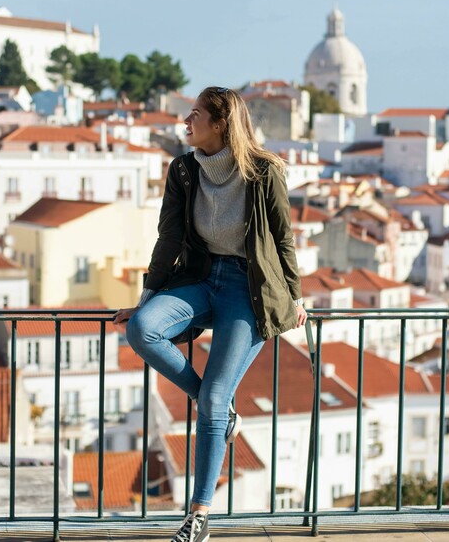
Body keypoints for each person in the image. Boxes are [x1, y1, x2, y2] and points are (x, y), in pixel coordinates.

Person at [113, 86, 306, 542]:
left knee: (217, 399)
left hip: (249, 288)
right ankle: (216, 407)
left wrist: (295, 297)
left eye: (195, 115)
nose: (186, 122)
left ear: (220, 125)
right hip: (200, 278)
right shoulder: (183, 169)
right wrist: (149, 295)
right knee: (143, 330)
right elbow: (169, 237)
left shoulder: (263, 171)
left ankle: (198, 514)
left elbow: (283, 238)